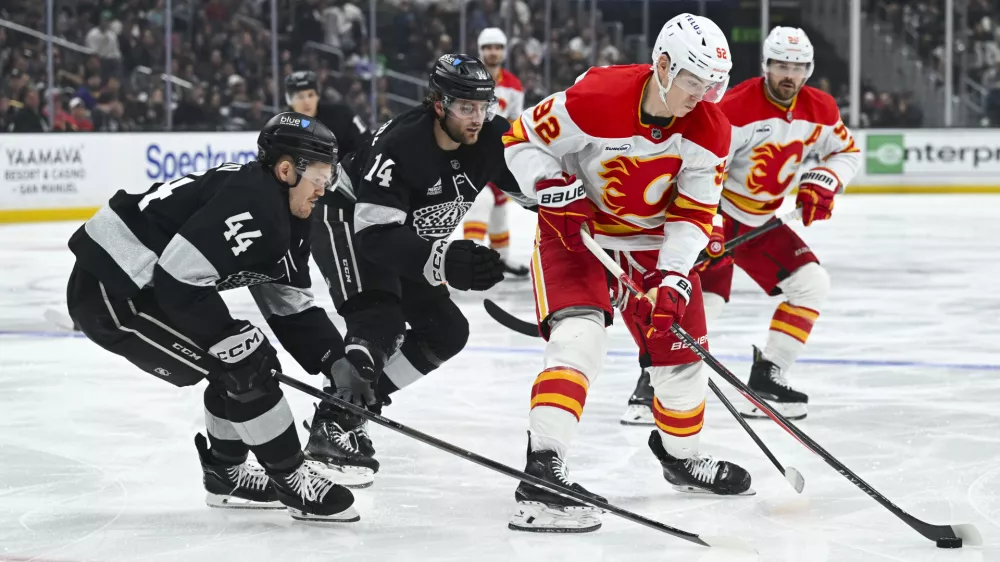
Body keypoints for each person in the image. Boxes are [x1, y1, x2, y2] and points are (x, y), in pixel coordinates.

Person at [502, 14, 752, 533]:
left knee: (682, 367)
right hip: (578, 234)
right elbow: (520, 139)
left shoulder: (711, 127)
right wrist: (549, 184)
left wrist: (675, 277)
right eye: (693, 81)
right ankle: (542, 472)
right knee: (579, 342)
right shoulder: (596, 96)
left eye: (713, 84)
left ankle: (680, 458)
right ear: (663, 65)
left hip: (654, 243)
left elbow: (694, 213)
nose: (703, 95)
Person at [66, 112, 360, 523]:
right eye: (319, 177)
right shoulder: (255, 204)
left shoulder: (284, 209)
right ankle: (291, 479)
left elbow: (287, 297)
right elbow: (177, 279)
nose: (323, 189)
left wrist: (335, 359)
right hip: (112, 291)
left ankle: (226, 474)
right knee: (244, 360)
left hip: (143, 283)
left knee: (241, 358)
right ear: (286, 169)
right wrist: (231, 343)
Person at [623, 27, 862, 424]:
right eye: (781, 65)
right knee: (701, 303)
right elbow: (701, 167)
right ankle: (652, 385)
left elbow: (846, 151)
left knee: (811, 284)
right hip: (717, 214)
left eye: (798, 67)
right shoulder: (734, 108)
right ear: (765, 65)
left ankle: (766, 378)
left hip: (761, 221)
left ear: (809, 69)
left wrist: (824, 179)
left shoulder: (820, 110)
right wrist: (708, 220)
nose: (789, 74)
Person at [302, 54, 507, 488]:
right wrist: (446, 260)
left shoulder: (491, 136)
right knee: (380, 318)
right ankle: (332, 424)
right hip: (347, 220)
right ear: (438, 104)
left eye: (482, 106)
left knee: (446, 331)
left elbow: (541, 188)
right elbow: (375, 237)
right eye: (464, 107)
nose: (476, 117)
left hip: (402, 234)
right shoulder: (401, 145)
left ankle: (362, 404)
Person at [459, 28, 530, 277]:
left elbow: (514, 120)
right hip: (470, 151)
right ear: (480, 50)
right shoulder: (467, 78)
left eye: (498, 47)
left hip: (499, 151)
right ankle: (471, 257)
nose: (493, 51)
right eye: (488, 47)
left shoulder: (514, 85)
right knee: (481, 200)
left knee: (500, 204)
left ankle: (501, 258)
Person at [285, 70, 370, 159]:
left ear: (318, 96)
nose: (307, 102)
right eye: (300, 97)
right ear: (289, 100)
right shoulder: (278, 127)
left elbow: (366, 144)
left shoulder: (341, 115)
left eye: (310, 95)